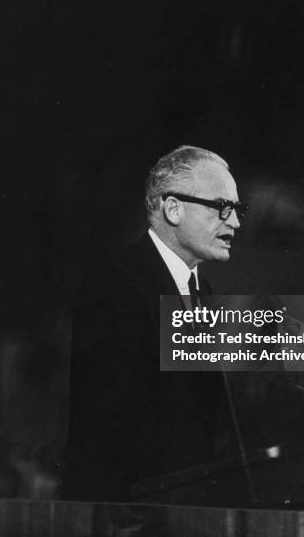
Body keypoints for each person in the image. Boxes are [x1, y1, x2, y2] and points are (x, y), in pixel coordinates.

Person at [63, 145, 246, 501]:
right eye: (222, 207)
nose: (235, 222)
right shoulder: (115, 283)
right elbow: (113, 422)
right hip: (128, 512)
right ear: (173, 208)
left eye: (238, 210)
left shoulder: (201, 290)